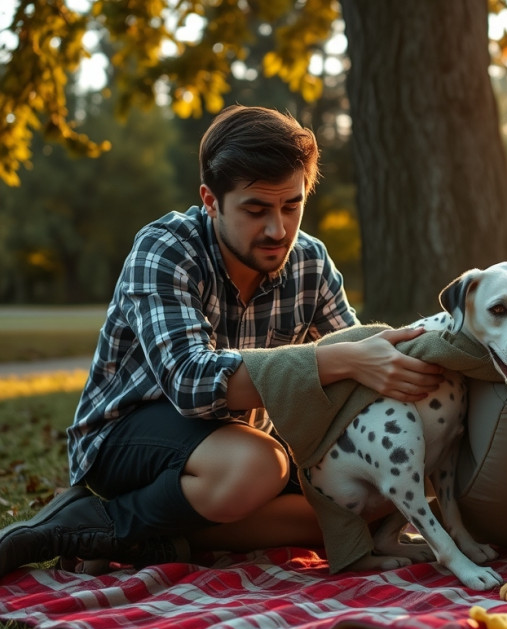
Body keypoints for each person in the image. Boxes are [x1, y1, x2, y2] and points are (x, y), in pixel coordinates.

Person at [0, 105, 444, 578]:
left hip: (236, 456)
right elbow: (192, 383)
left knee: (359, 505)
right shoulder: (166, 248)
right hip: (127, 437)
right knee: (259, 463)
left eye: (291, 206)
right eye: (256, 210)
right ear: (211, 201)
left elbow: (355, 385)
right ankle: (92, 522)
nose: (277, 230)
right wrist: (340, 361)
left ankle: (155, 537)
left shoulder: (310, 262)